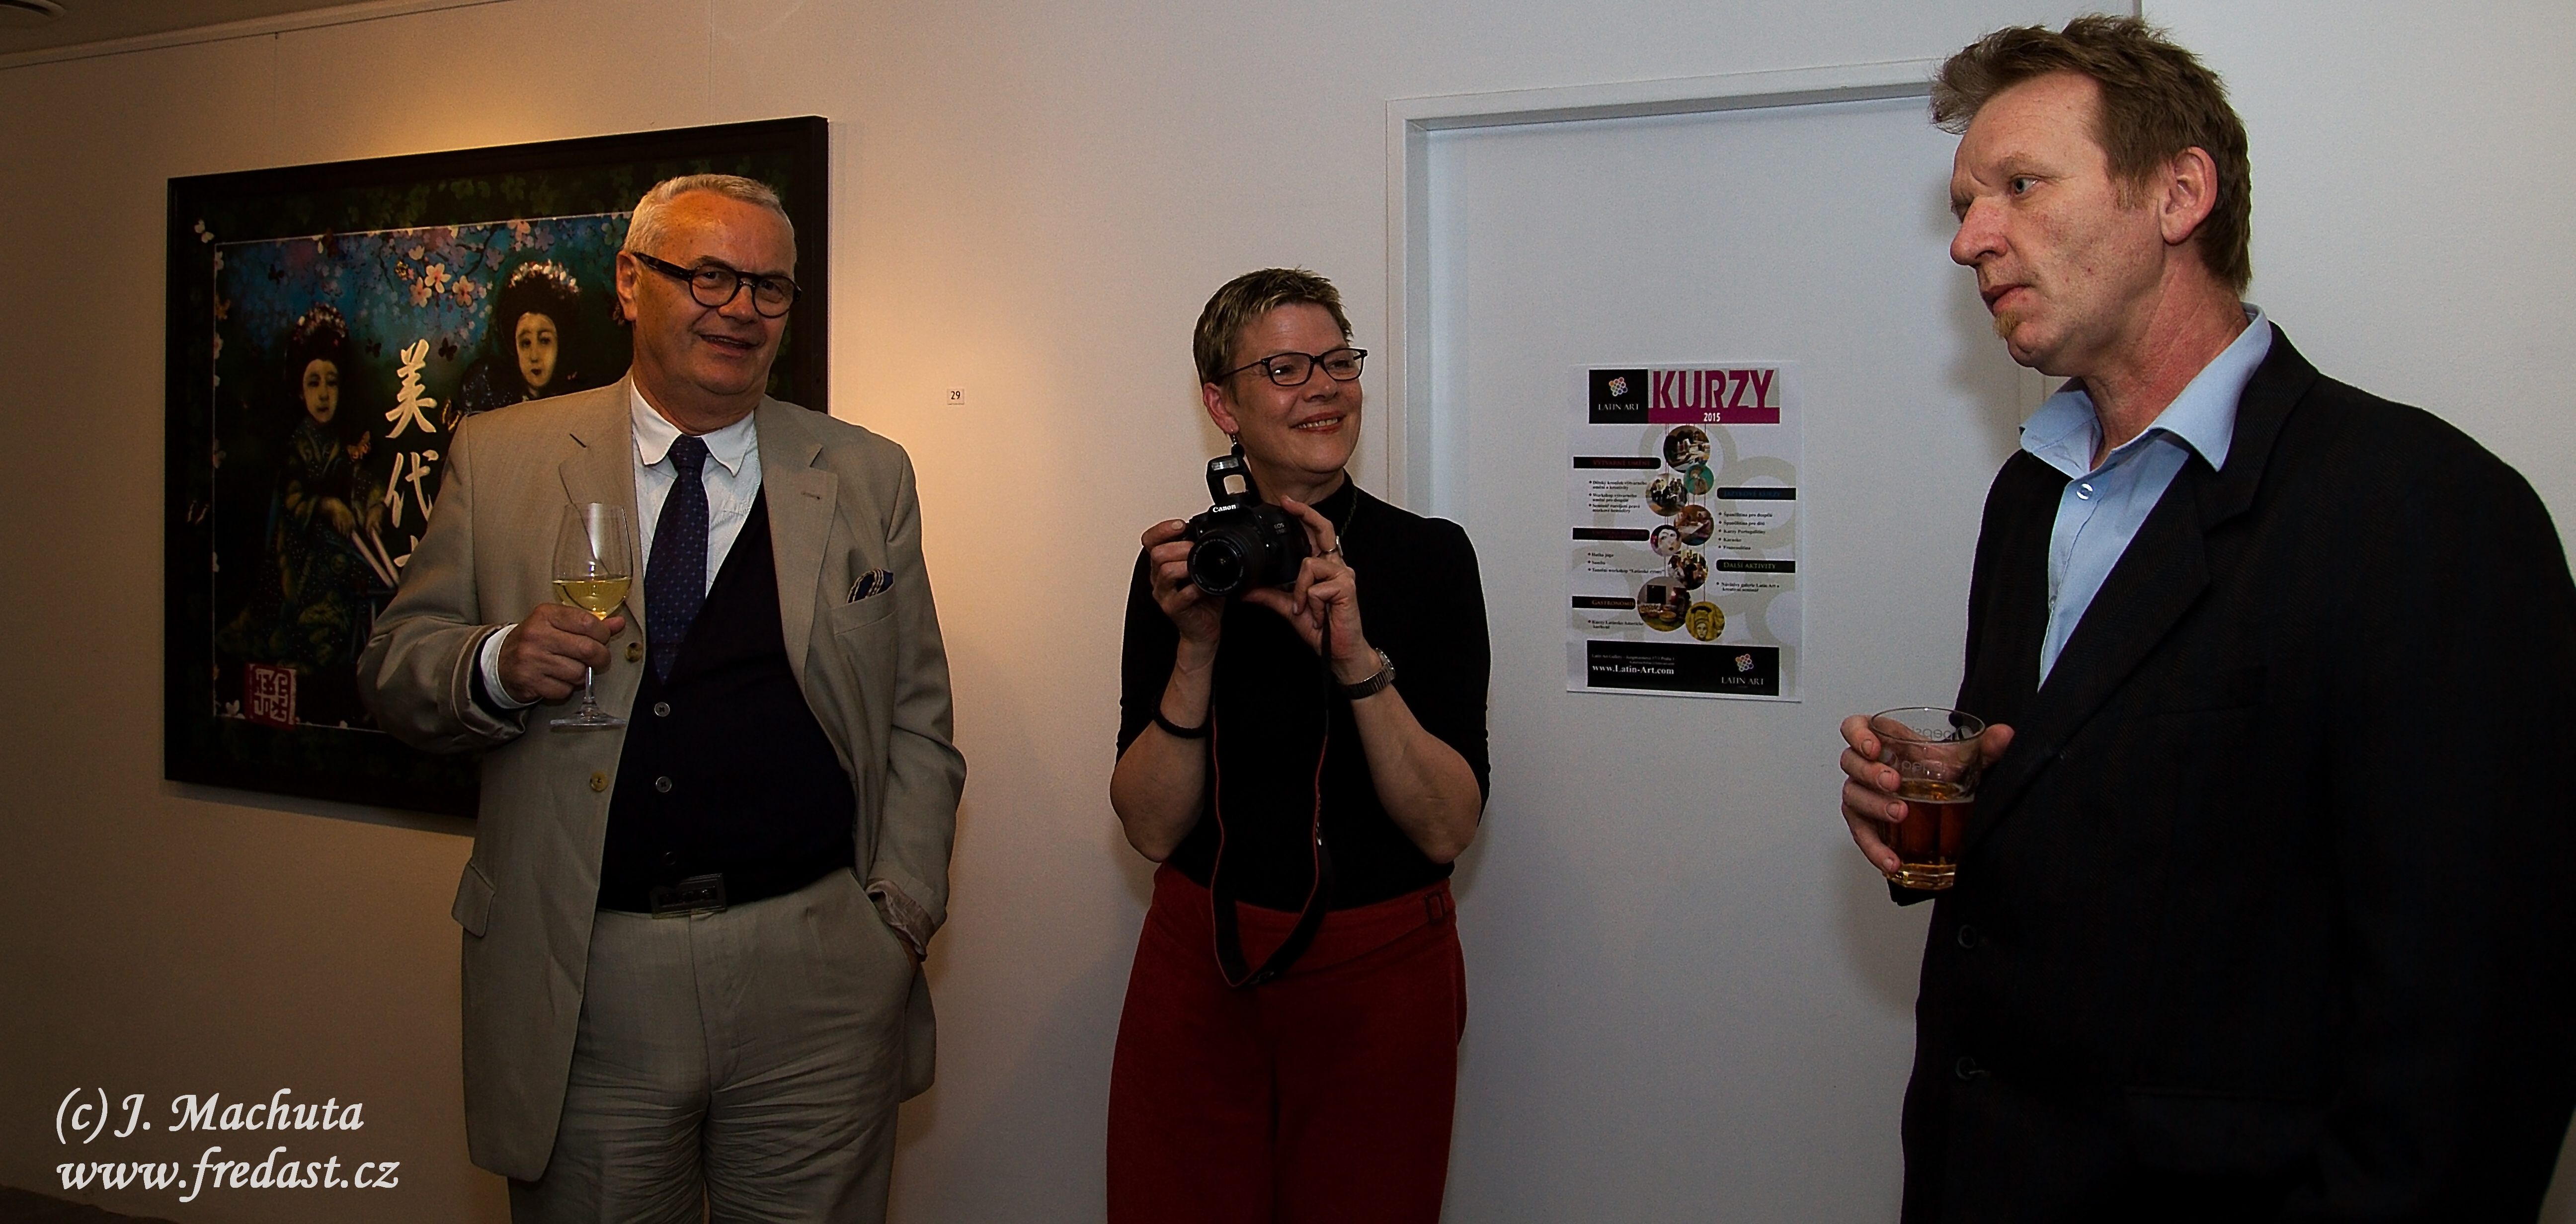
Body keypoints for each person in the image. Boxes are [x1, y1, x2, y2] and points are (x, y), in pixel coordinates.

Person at [1834, 17, 2576, 1220]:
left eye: (2019, 186)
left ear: (2179, 193)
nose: (1969, 240)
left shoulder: (2425, 511)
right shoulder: (2030, 494)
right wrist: (1939, 814)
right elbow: (2093, 800)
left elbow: (2478, 1036)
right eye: (1966, 205)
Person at [359, 174, 964, 1223]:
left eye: (769, 287)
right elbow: (395, 663)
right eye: (710, 276)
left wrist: (897, 920)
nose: (741, 310)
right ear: (632, 282)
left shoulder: (867, 474)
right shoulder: (502, 459)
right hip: (587, 978)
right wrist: (497, 663)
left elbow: (919, 718)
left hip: (818, 975)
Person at [1107, 268, 1490, 1222]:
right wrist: (1195, 646)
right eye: (1284, 368)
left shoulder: (1429, 557)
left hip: (1379, 962)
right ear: (1221, 404)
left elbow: (1446, 826)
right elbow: (1150, 826)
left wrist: (1356, 657)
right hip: (1201, 954)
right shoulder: (1185, 570)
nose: (1323, 387)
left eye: (1336, 362)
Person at [218, 303, 388, 726]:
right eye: (314, 383)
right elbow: (293, 499)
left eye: (331, 382)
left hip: (341, 549)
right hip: (301, 553)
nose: (324, 394)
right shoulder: (299, 444)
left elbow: (361, 481)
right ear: (299, 389)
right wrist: (326, 506)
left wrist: (372, 506)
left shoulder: (342, 442)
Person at [446, 259, 590, 426]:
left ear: (561, 344)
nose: (534, 356)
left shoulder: (581, 403)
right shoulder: (493, 396)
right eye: (526, 343)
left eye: (545, 341)